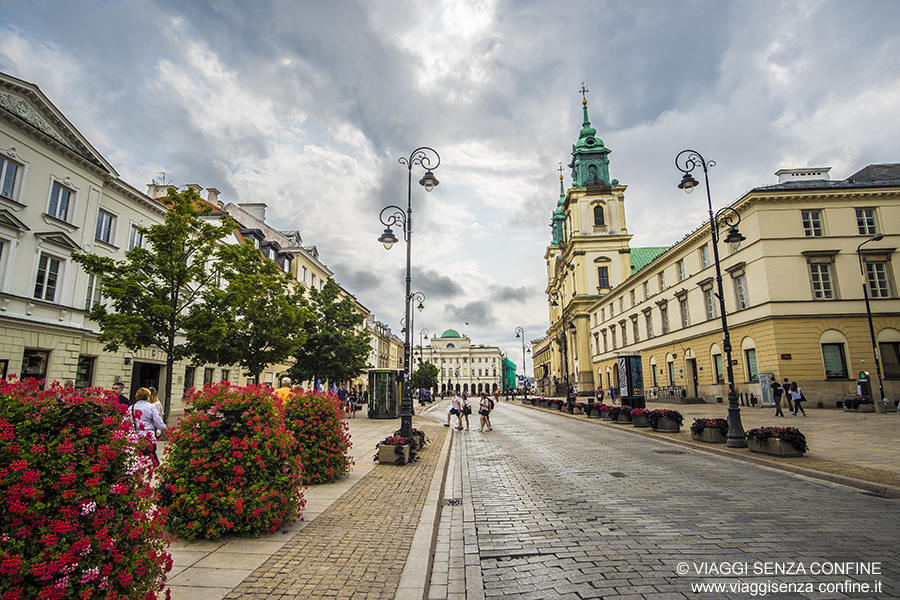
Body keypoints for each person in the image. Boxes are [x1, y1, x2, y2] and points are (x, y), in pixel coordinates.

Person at [129, 387, 167, 466]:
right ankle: (155, 465)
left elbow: (126, 421)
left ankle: (136, 467)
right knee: (150, 451)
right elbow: (158, 421)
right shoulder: (151, 407)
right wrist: (163, 428)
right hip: (147, 434)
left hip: (134, 434)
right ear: (147, 397)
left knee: (136, 454)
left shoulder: (131, 407)